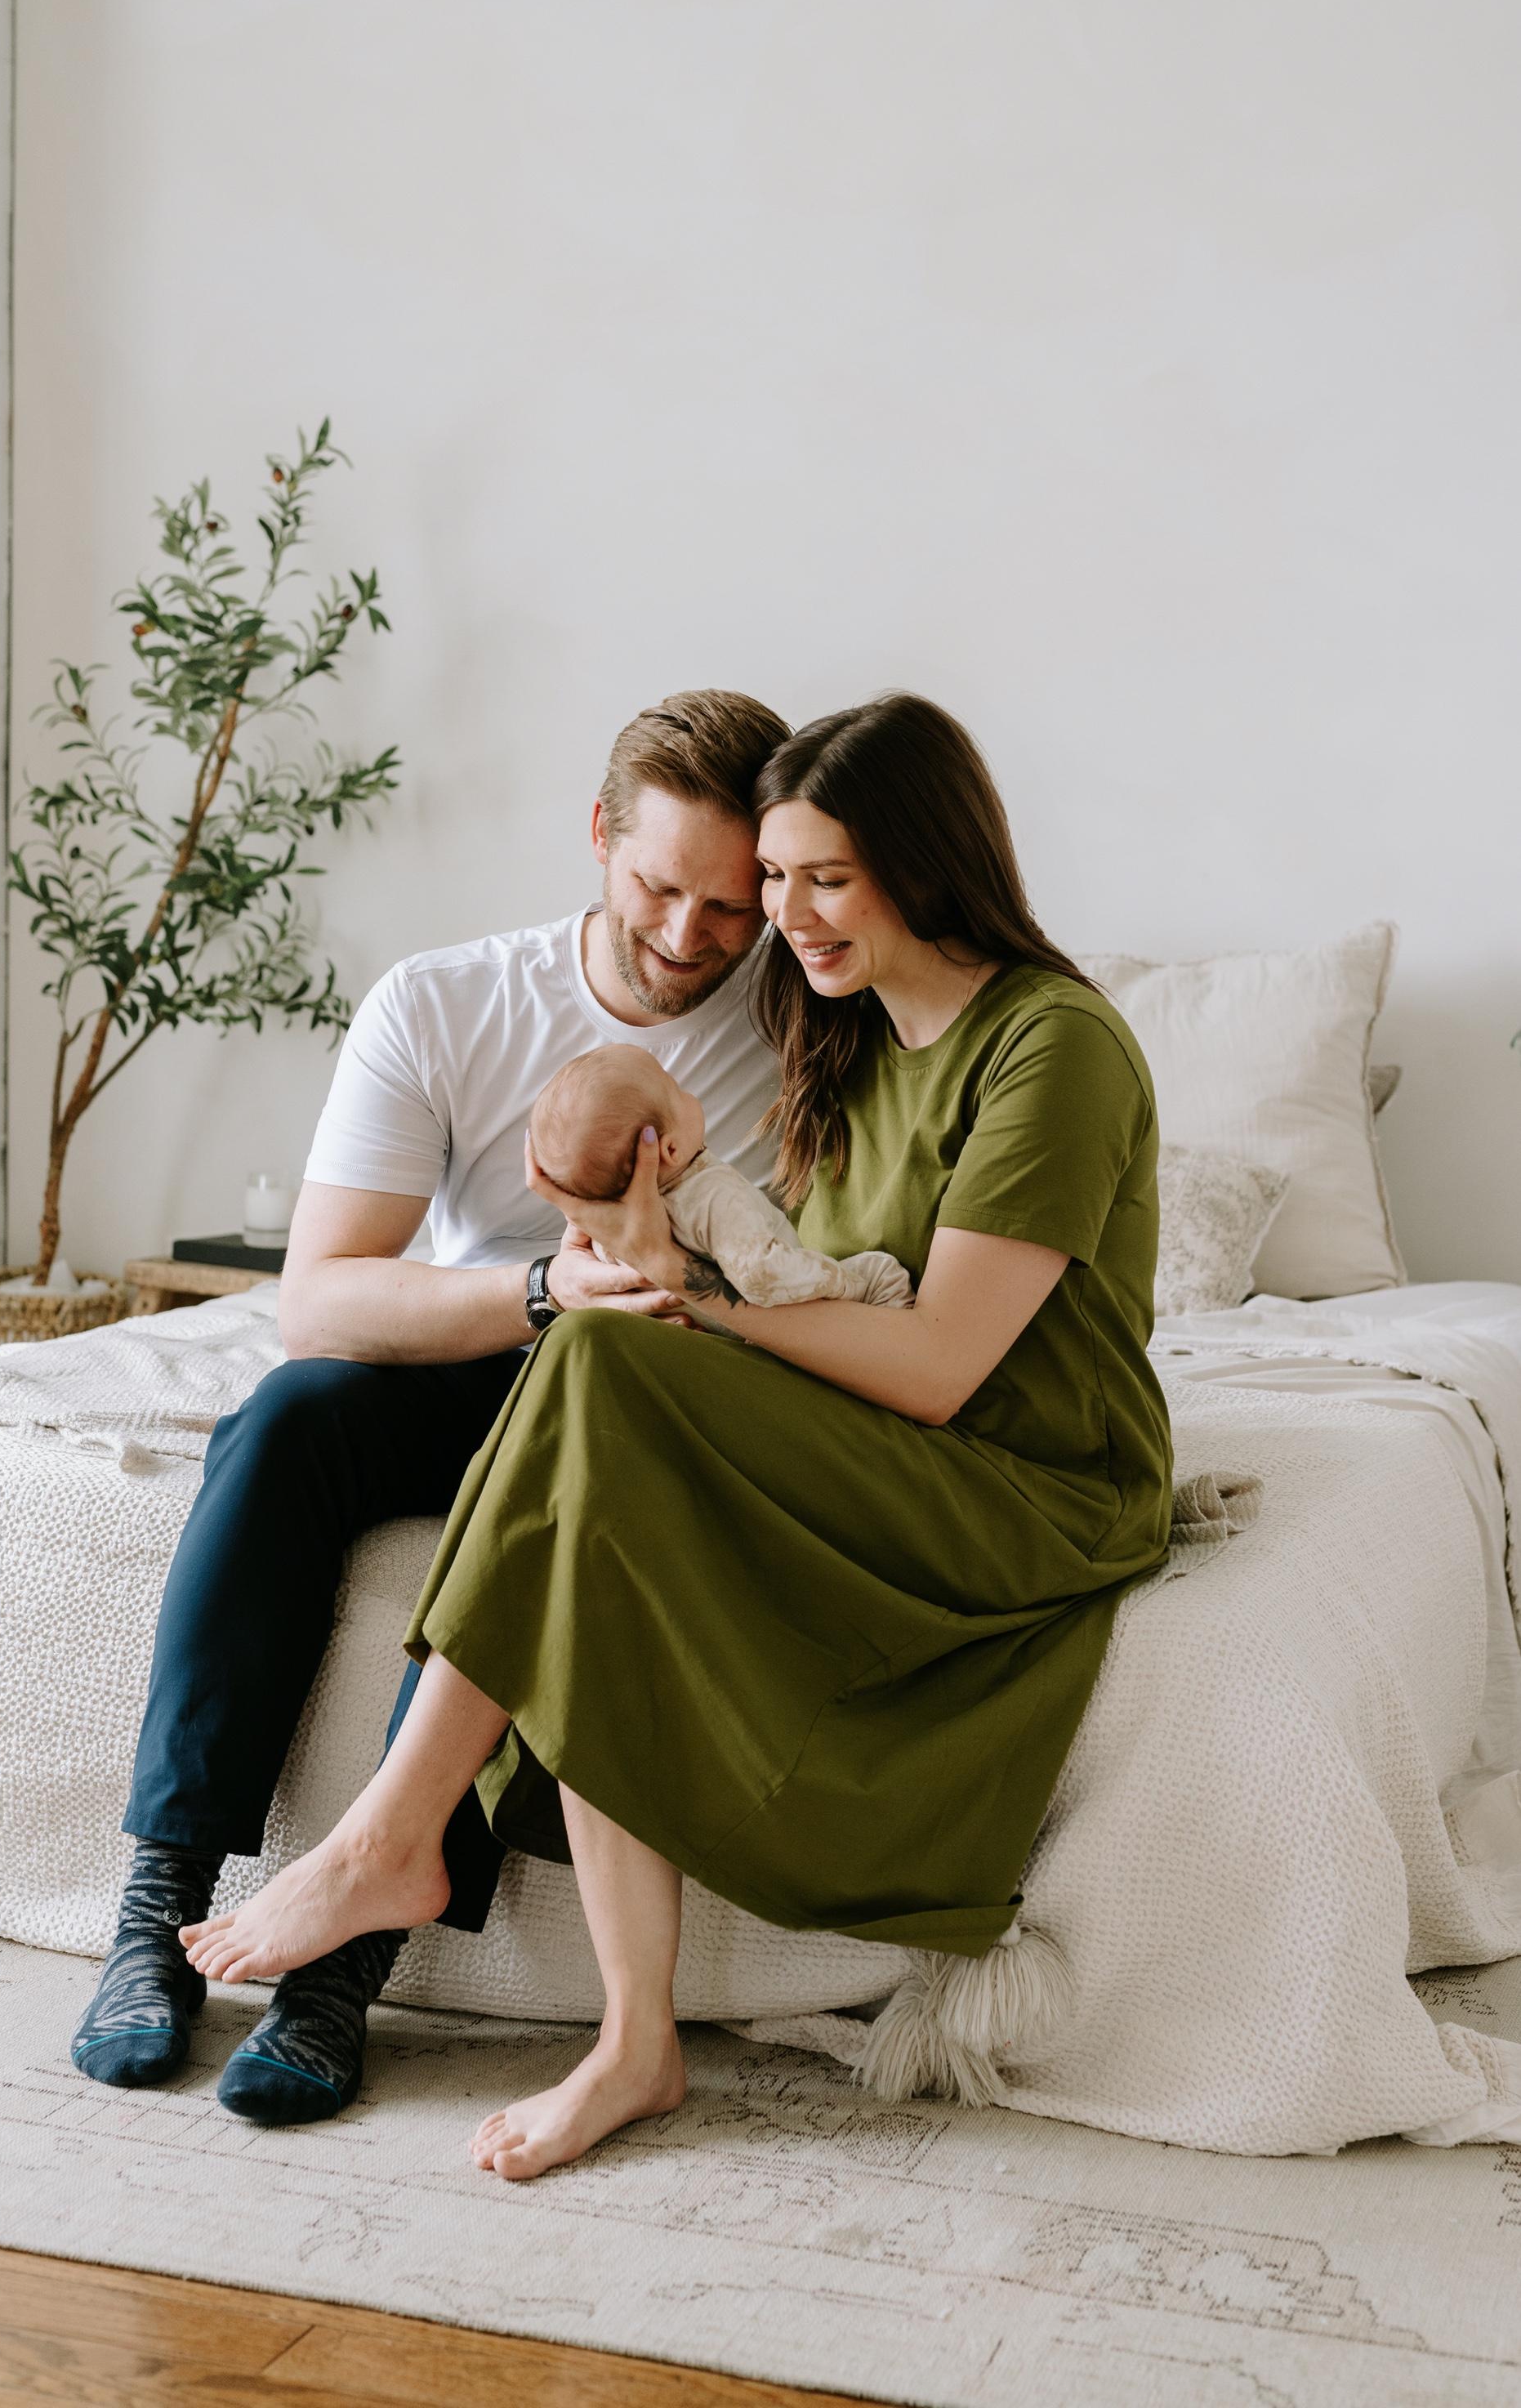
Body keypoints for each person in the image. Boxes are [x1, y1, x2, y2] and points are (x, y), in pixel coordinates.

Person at [181, 691, 1176, 2180]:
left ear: (925, 863)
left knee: (613, 1366)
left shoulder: (1053, 1047)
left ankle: (392, 1834)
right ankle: (631, 2039)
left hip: (1024, 1479)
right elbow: (778, 1272)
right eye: (774, 881)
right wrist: (657, 1262)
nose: (784, 917)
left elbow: (937, 1365)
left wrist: (684, 1313)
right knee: (603, 1445)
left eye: (819, 879)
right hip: (867, 1436)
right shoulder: (836, 1041)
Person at [68, 687, 792, 2123]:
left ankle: (346, 1969)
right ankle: (156, 1912)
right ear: (597, 837)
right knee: (281, 1418)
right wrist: (542, 1296)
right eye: (659, 887)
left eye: (729, 908)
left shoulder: (806, 1030)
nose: (688, 939)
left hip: (639, 1407)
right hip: (472, 1348)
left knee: (546, 1486)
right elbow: (322, 1299)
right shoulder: (448, 1001)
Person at [528, 1043, 912, 1306]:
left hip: (720, 1330)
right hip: (791, 1311)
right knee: (883, 1273)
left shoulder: (612, 1232)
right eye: (675, 1088)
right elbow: (761, 1275)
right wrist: (838, 1280)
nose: (687, 1091)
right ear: (670, 1149)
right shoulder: (710, 1196)